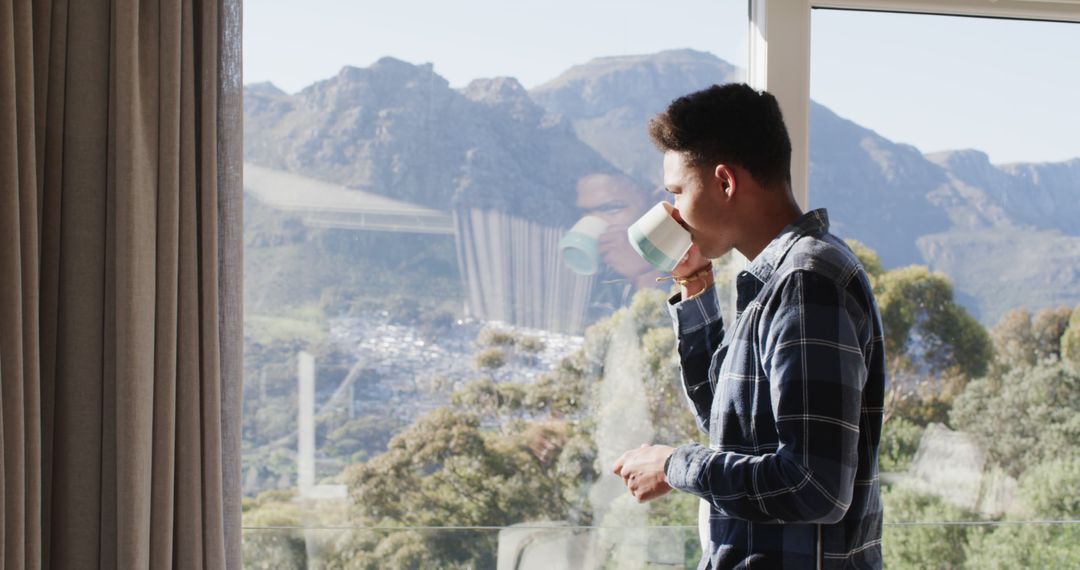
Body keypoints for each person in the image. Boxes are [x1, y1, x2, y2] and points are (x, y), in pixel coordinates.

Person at [612, 83, 885, 569]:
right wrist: (696, 290)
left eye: (677, 191)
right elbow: (727, 422)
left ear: (725, 183)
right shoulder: (777, 280)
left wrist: (675, 466)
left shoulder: (807, 282)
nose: (672, 212)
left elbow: (814, 486)